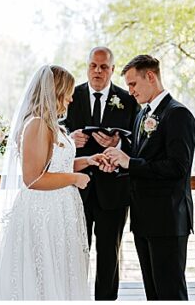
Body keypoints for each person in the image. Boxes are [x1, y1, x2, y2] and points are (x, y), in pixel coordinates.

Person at [0, 65, 107, 300]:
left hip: (59, 211)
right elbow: (33, 178)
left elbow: (56, 166)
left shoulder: (53, 125)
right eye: (68, 92)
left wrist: (88, 161)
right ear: (56, 91)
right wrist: (74, 179)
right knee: (42, 273)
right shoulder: (37, 124)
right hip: (43, 211)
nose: (71, 98)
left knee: (59, 272)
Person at [101, 55, 195, 300]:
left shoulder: (178, 114)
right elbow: (140, 158)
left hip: (167, 220)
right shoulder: (142, 115)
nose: (130, 91)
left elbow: (177, 167)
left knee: (170, 293)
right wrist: (119, 164)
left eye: (133, 84)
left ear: (151, 77)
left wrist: (129, 162)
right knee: (153, 294)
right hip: (144, 219)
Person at [61, 47, 138, 300]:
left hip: (114, 190)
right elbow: (55, 135)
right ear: (87, 66)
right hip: (76, 188)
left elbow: (138, 143)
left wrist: (116, 145)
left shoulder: (128, 99)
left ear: (112, 70)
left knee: (109, 253)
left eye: (104, 67)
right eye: (93, 65)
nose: (97, 71)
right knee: (76, 252)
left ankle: (106, 300)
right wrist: (70, 139)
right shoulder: (71, 95)